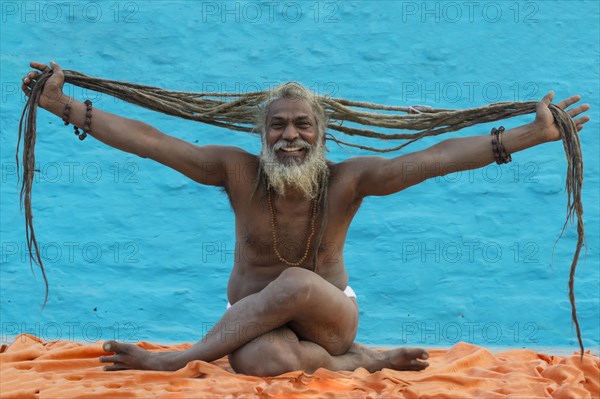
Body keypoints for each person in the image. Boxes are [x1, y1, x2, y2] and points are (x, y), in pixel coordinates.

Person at [21, 61, 590, 376]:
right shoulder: (235, 170)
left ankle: (175, 359)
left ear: (321, 133)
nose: (290, 136)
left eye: (302, 125)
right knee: (265, 362)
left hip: (329, 316)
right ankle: (359, 363)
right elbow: (153, 141)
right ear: (261, 134)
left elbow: (433, 160)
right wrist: (62, 105)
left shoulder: (350, 180)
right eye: (278, 126)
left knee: (295, 282)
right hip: (250, 322)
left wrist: (533, 134)